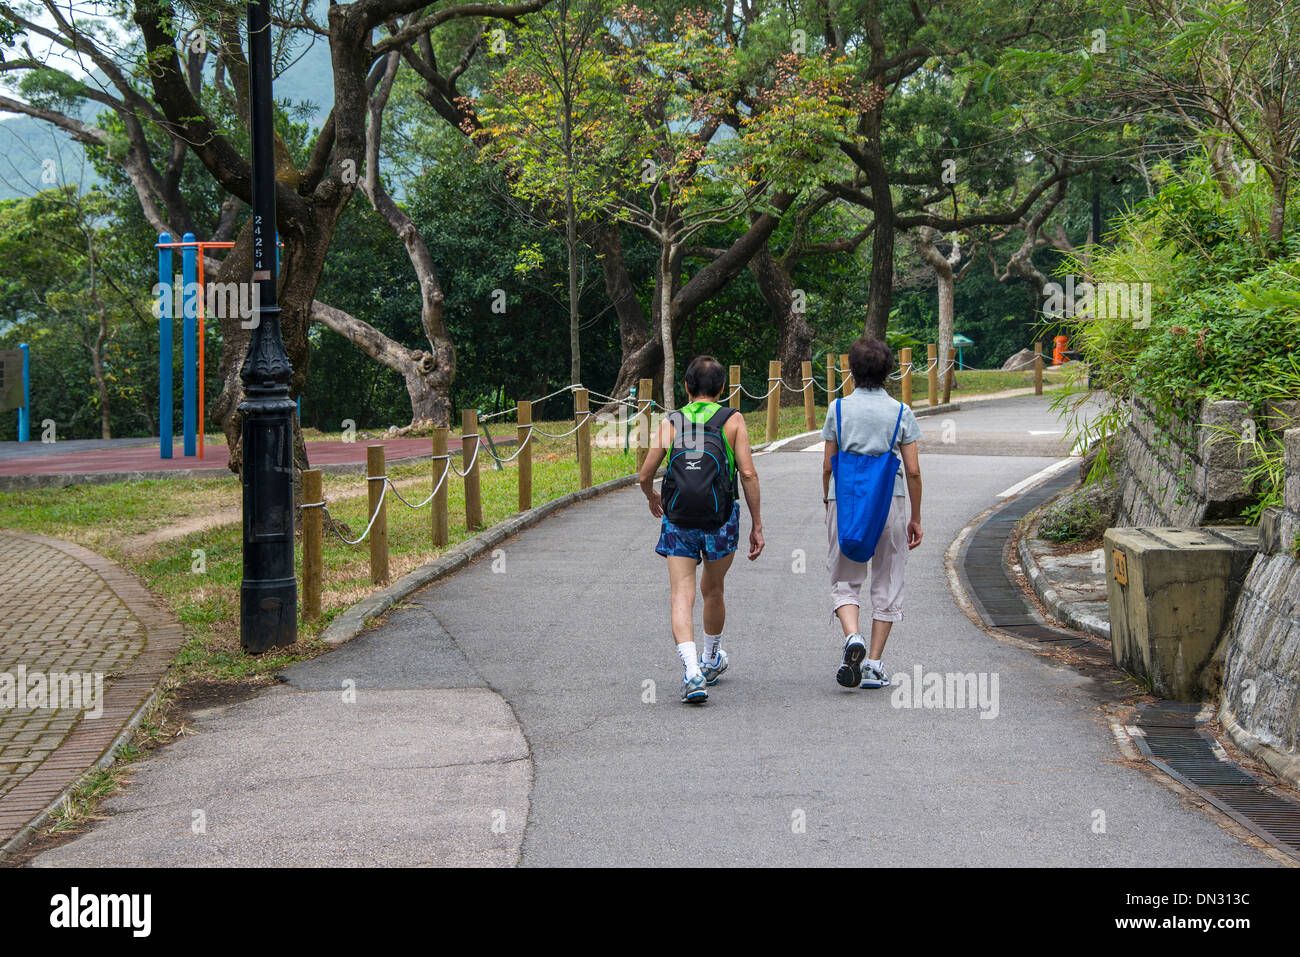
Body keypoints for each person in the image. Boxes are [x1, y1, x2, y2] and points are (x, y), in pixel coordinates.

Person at [639, 355, 764, 704]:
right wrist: (757, 525)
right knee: (714, 589)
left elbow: (645, 474)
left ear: (687, 387)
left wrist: (652, 497)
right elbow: (749, 474)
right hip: (720, 518)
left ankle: (692, 671)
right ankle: (711, 658)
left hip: (678, 519)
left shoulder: (672, 421)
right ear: (722, 388)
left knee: (682, 592)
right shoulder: (732, 419)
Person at [822, 337, 923, 690]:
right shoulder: (901, 412)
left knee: (844, 577)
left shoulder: (837, 410)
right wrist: (916, 517)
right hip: (889, 503)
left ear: (851, 370)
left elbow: (827, 465)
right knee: (888, 578)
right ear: (889, 372)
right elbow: (912, 471)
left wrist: (827, 501)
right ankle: (874, 664)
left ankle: (853, 638)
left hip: (845, 501)